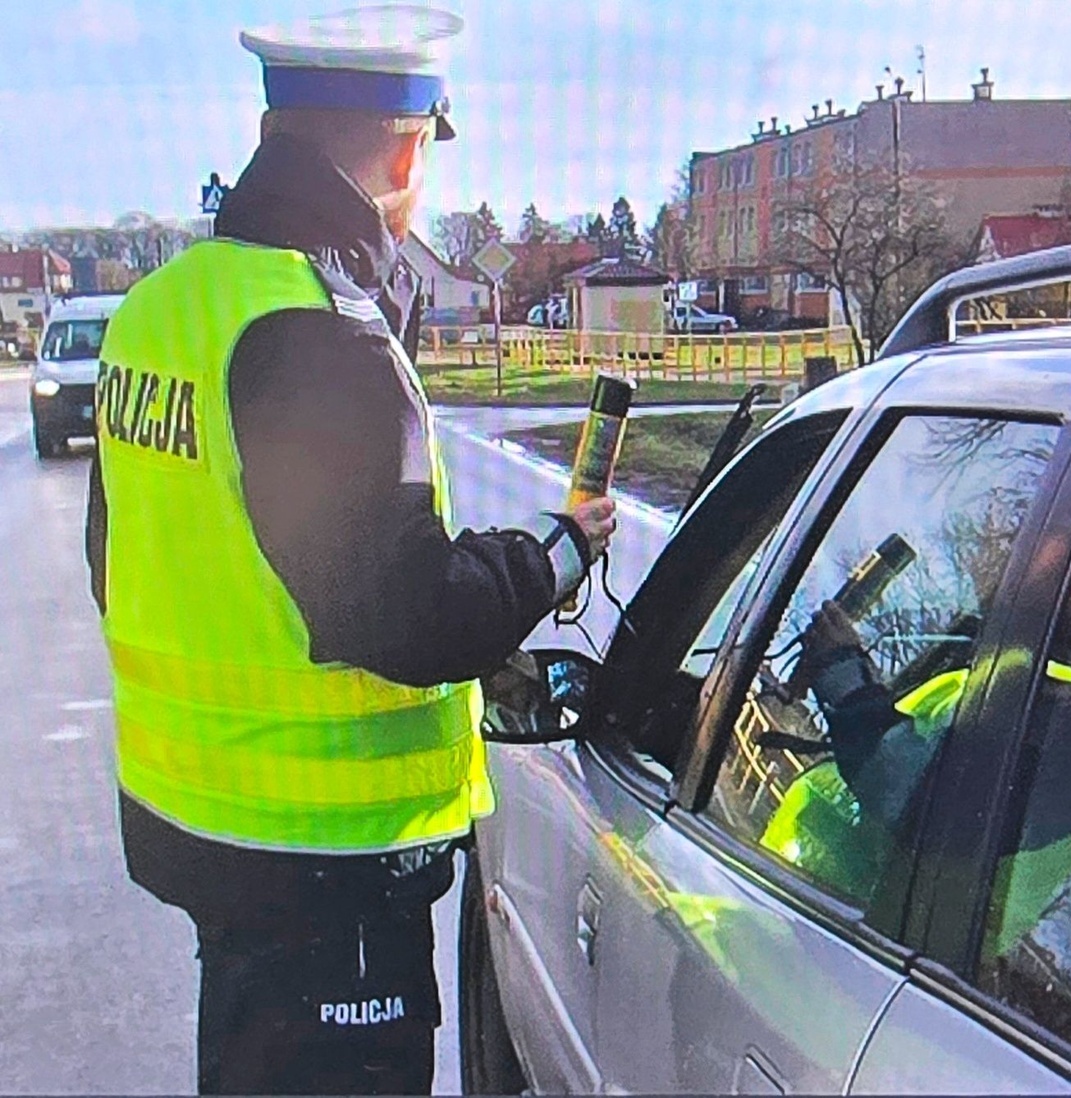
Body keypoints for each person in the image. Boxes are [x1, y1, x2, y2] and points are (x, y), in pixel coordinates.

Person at [83, 7, 616, 1094]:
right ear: (408, 145)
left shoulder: (161, 308)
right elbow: (404, 615)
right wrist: (554, 555)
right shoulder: (314, 329)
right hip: (323, 866)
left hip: (202, 826)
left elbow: (118, 555)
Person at [759, 491, 1071, 952]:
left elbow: (926, 801)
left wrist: (845, 679)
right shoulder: (1034, 671)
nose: (1032, 553)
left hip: (849, 954)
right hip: (800, 918)